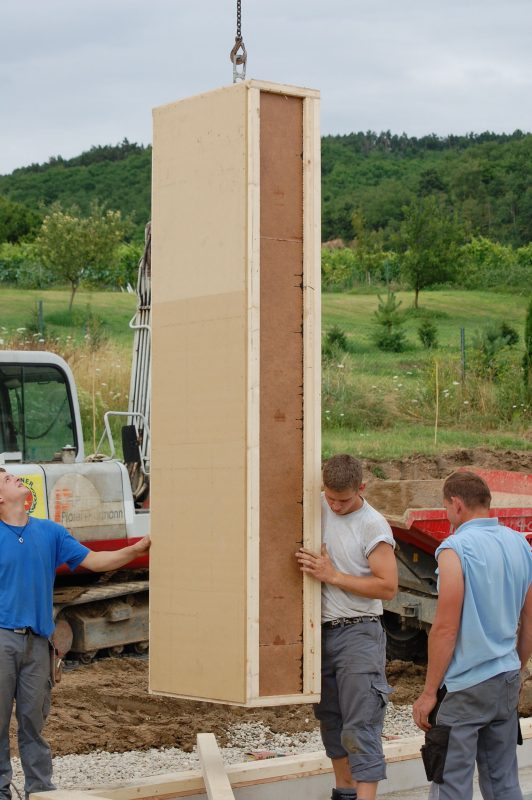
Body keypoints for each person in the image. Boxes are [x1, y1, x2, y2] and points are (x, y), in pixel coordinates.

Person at [0, 467, 151, 800]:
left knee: (33, 724)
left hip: (39, 643)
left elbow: (96, 561)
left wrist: (140, 547)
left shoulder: (50, 532)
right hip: (2, 639)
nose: (14, 477)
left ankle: (40, 792)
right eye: (7, 478)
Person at [412, 470, 532, 800]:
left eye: (446, 508)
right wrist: (517, 671)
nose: (448, 515)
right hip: (505, 680)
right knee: (504, 783)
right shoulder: (520, 544)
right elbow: (530, 621)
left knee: (451, 785)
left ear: (457, 504)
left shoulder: (454, 549)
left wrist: (428, 693)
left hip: (465, 688)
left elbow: (446, 628)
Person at [295, 454, 397, 800]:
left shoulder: (373, 526)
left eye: (344, 500)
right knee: (332, 722)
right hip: (320, 634)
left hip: (359, 633)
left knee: (361, 725)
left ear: (362, 489)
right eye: (330, 498)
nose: (335, 506)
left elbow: (387, 587)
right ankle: (345, 793)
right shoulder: (317, 506)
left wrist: (332, 575)